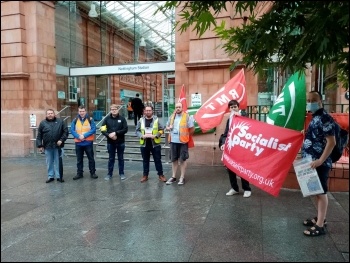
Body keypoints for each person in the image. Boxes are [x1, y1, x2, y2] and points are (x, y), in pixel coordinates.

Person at [301, 91, 336, 237]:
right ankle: (320, 218)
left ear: (320, 101)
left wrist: (320, 160)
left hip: (319, 162)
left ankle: (320, 225)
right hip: (311, 162)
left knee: (321, 193)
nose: (310, 102)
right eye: (308, 100)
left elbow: (331, 142)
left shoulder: (325, 118)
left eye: (313, 100)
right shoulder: (315, 117)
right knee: (316, 192)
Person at [219, 100, 252, 197]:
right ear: (229, 109)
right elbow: (226, 133)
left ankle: (247, 188)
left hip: (242, 147)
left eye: (235, 107)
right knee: (230, 168)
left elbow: (250, 128)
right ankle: (234, 188)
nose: (233, 109)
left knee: (242, 167)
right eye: (231, 107)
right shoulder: (229, 119)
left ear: (238, 107)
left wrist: (240, 116)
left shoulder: (244, 115)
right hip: (231, 147)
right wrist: (223, 143)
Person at [165, 102, 195, 185]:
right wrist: (168, 127)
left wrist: (188, 136)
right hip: (173, 141)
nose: (178, 108)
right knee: (173, 159)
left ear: (182, 108)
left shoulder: (187, 116)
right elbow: (166, 126)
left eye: (179, 107)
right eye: (176, 107)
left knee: (182, 159)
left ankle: (182, 177)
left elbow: (192, 128)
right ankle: (173, 177)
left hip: (183, 141)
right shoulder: (172, 116)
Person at [135, 105, 167, 183]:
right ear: (144, 111)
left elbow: (162, 129)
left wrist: (156, 135)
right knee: (145, 160)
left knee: (157, 160)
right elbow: (137, 131)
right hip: (144, 144)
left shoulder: (156, 120)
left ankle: (161, 175)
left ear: (152, 111)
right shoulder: (141, 120)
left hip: (155, 144)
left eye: (149, 110)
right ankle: (145, 175)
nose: (148, 112)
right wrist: (142, 136)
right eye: (147, 110)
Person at [36, 109, 68, 183]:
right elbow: (39, 135)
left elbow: (65, 132)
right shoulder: (43, 123)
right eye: (48, 113)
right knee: (49, 162)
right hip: (47, 146)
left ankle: (59, 176)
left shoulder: (60, 122)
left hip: (58, 146)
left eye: (51, 113)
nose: (50, 115)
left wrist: (61, 140)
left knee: (58, 162)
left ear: (54, 114)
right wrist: (40, 145)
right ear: (46, 115)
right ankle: (50, 176)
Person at [100, 104, 128, 180]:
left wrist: (116, 133)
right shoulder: (106, 119)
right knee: (111, 158)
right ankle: (109, 174)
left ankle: (121, 173)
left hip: (120, 142)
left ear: (118, 110)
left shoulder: (122, 119)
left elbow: (125, 129)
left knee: (121, 158)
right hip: (110, 142)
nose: (114, 110)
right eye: (112, 109)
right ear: (110, 110)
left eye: (115, 109)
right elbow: (102, 129)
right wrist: (109, 135)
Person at [70, 106, 98, 180]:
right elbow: (72, 130)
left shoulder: (90, 119)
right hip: (78, 143)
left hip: (88, 142)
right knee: (79, 159)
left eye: (83, 111)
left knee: (91, 158)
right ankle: (79, 173)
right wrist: (79, 136)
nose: (81, 113)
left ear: (85, 111)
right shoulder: (75, 120)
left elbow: (93, 129)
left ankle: (92, 172)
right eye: (80, 111)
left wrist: (84, 136)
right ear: (78, 112)